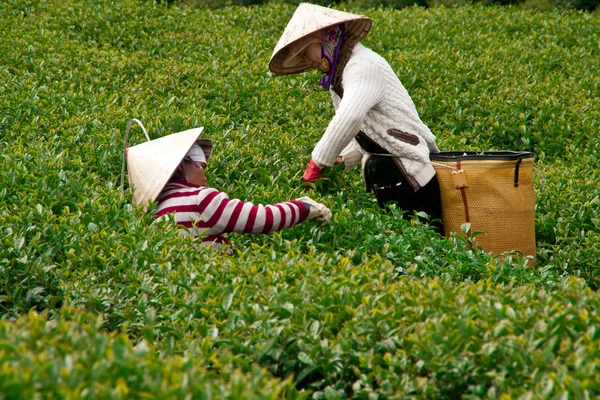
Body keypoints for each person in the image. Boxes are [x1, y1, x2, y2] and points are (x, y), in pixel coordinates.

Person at [269, 3, 443, 230]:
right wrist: (341, 160)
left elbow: (349, 118)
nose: (307, 62)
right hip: (388, 178)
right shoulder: (338, 77)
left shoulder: (362, 65)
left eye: (305, 53)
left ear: (324, 37)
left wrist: (317, 164)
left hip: (412, 177)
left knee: (423, 243)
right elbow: (364, 134)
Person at [124, 126, 332, 253]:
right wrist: (305, 207)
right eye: (202, 167)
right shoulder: (200, 199)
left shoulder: (156, 210)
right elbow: (261, 220)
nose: (205, 177)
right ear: (181, 166)